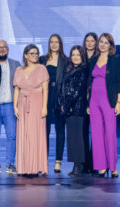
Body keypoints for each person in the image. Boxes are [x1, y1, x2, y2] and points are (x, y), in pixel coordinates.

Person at [87, 33, 120, 177]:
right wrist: (88, 103)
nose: (102, 45)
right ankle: (101, 166)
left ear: (111, 45)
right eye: (101, 42)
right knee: (96, 134)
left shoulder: (116, 59)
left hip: (109, 100)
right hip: (94, 101)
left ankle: (112, 166)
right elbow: (89, 82)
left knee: (110, 132)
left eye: (106, 43)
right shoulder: (93, 59)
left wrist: (119, 102)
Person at [14, 43, 50, 176]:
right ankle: (24, 167)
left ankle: (35, 167)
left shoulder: (42, 69)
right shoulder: (19, 70)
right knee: (24, 134)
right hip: (22, 104)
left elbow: (46, 89)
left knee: (34, 134)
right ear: (26, 55)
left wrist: (44, 107)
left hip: (36, 103)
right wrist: (15, 106)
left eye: (36, 53)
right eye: (32, 53)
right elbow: (16, 89)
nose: (35, 56)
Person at [59, 46, 88, 177]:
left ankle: (79, 166)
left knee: (77, 139)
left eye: (78, 55)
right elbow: (63, 89)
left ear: (82, 57)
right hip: (69, 109)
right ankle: (75, 165)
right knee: (72, 138)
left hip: (77, 109)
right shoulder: (69, 70)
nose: (75, 57)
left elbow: (76, 92)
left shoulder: (82, 71)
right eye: (73, 55)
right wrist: (62, 103)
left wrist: (66, 105)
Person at [39, 34, 67, 173]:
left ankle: (58, 161)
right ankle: (43, 160)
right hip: (45, 96)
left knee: (60, 130)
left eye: (56, 42)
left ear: (60, 44)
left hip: (59, 96)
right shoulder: (42, 59)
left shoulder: (65, 60)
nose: (54, 44)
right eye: (51, 42)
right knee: (45, 130)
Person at [0, 39, 20, 175]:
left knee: (12, 136)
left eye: (4, 47)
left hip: (10, 104)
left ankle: (10, 164)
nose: (2, 49)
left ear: (8, 49)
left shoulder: (16, 64)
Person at [81, 31, 98, 172]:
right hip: (81, 98)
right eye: (87, 41)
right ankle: (84, 163)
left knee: (96, 132)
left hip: (95, 96)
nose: (90, 43)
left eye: (92, 41)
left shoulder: (99, 58)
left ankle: (94, 163)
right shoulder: (80, 57)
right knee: (82, 132)